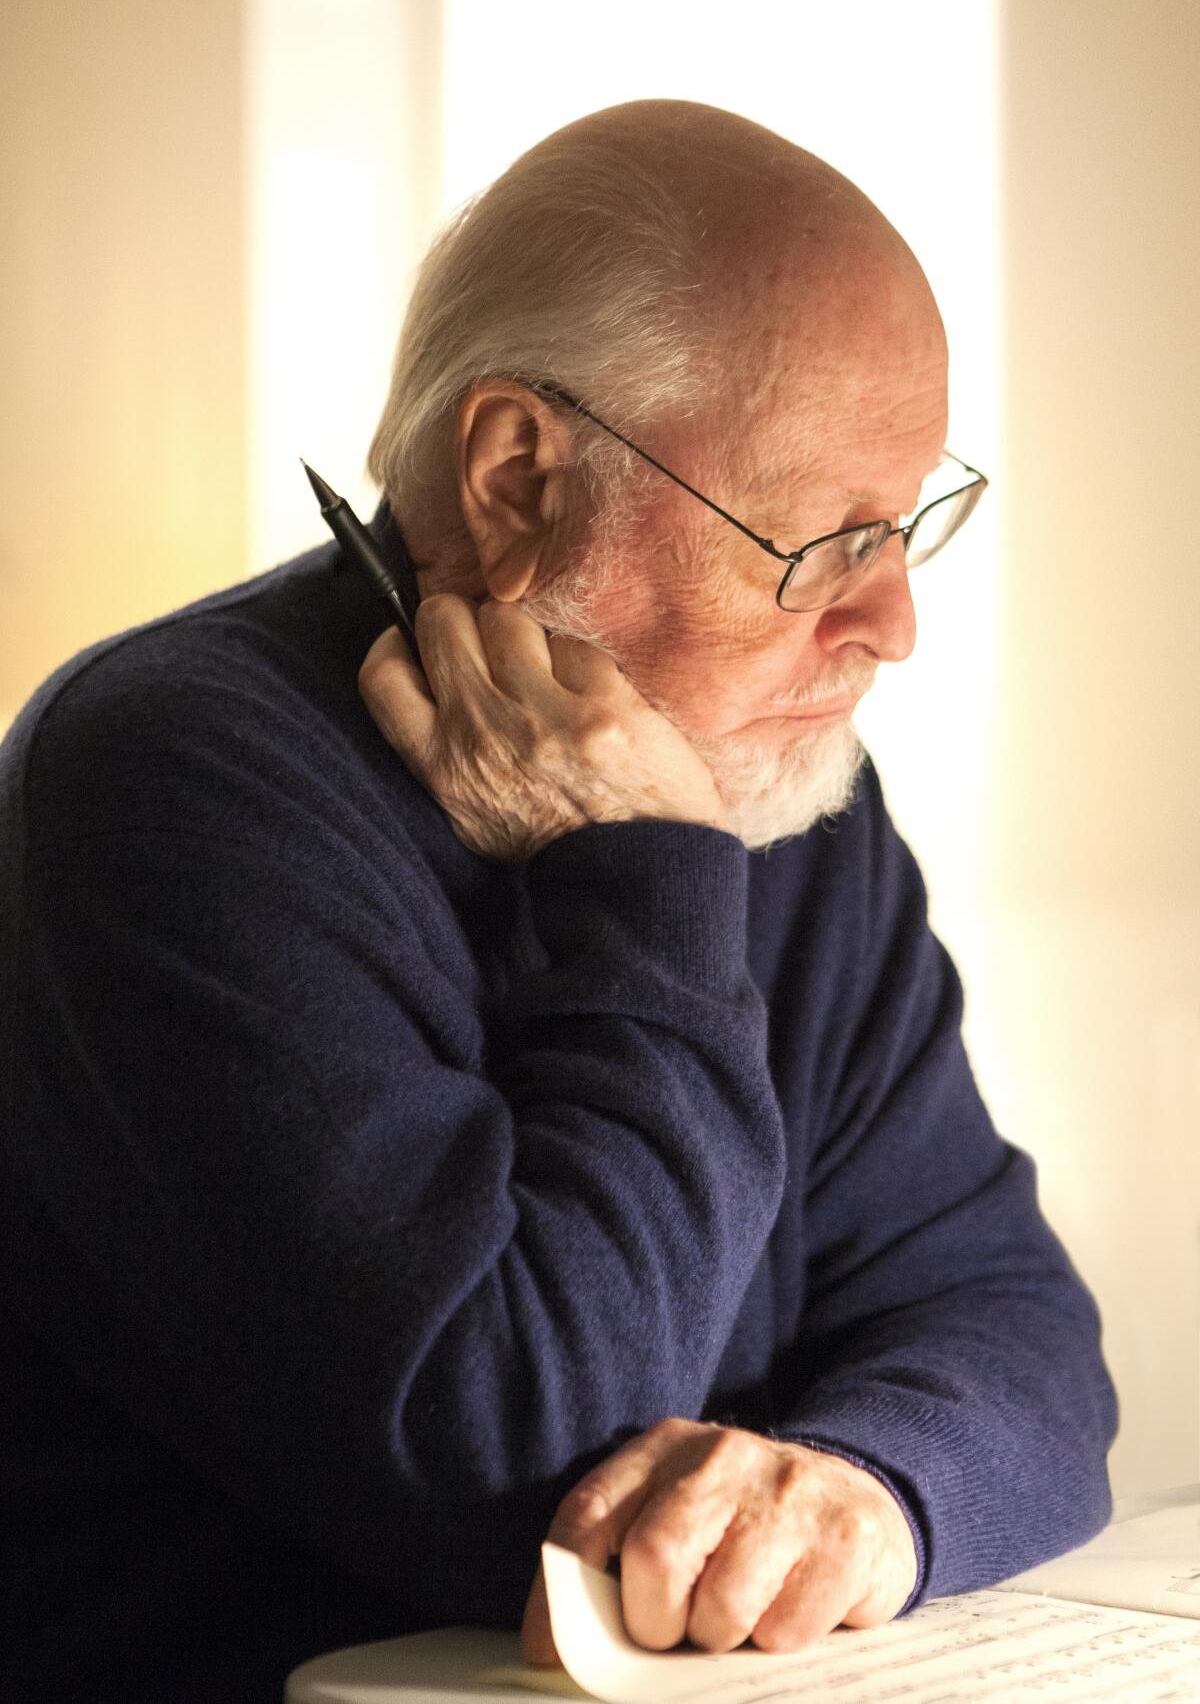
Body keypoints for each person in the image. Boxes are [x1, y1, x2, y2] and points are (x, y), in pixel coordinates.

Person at [0, 100, 1116, 1701]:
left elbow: (1011, 1318)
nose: (894, 623)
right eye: (830, 541)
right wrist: (648, 882)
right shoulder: (169, 777)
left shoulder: (782, 787)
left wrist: (870, 1490)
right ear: (520, 477)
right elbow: (512, 1463)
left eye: (915, 514)